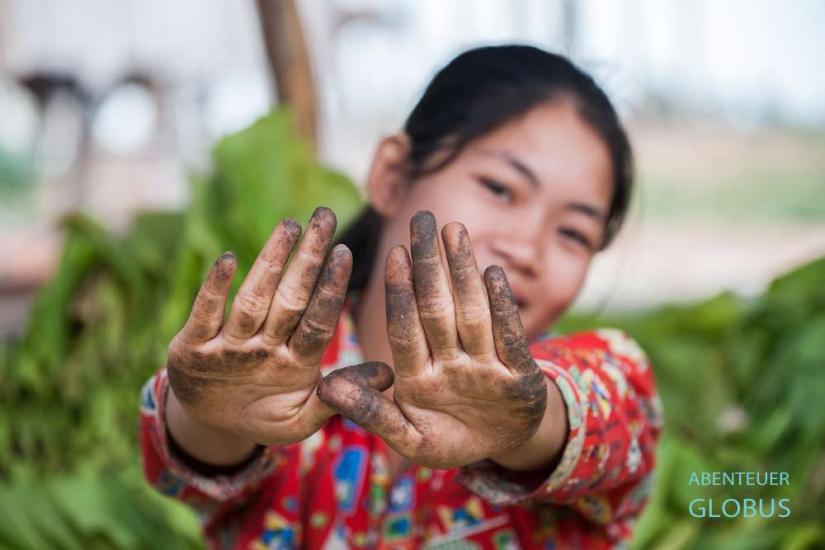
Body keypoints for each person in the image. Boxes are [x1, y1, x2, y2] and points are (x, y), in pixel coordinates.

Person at [139, 45, 663, 549]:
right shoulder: (278, 370)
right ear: (391, 175)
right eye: (500, 188)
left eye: (572, 233)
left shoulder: (596, 380)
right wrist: (207, 417)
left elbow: (615, 423)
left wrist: (527, 421)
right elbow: (200, 459)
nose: (526, 248)